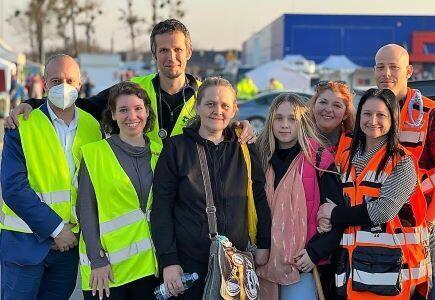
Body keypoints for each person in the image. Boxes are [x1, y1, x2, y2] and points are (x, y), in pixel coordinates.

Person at [5, 19, 256, 152]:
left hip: (189, 196)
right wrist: (31, 103)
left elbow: (221, 128)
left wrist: (239, 127)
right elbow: (81, 105)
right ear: (154, 54)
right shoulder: (133, 89)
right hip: (142, 189)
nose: (171, 57)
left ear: (189, 51)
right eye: (164, 50)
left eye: (178, 49)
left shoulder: (206, 94)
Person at [151, 77, 272, 299]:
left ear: (235, 109)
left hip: (234, 263)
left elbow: (258, 196)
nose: (218, 111)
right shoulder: (175, 149)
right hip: (189, 265)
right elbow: (161, 207)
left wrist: (264, 242)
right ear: (197, 106)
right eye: (210, 104)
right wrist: (169, 261)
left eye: (225, 105)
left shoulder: (245, 147)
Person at [0, 54, 102, 300]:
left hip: (67, 251)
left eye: (70, 80)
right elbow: (13, 187)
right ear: (44, 84)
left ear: (80, 84)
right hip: (25, 245)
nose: (63, 86)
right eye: (56, 81)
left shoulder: (93, 127)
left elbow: (92, 185)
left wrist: (72, 233)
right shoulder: (22, 124)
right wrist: (57, 230)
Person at [317, 88, 430, 299]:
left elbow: (383, 210)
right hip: (353, 269)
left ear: (393, 118)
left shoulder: (402, 161)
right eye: (367, 114)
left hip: (392, 272)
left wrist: (333, 214)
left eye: (381, 115)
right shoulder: (346, 156)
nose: (373, 120)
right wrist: (325, 218)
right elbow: (334, 199)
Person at [374, 44, 435, 300]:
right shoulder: (370, 113)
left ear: (409, 71)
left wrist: (428, 224)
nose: (386, 73)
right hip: (379, 224)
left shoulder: (432, 114)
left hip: (422, 224)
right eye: (380, 67)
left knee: (427, 293)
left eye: (393, 67)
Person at [255, 93, 344, 300]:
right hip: (261, 260)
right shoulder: (258, 157)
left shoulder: (318, 159)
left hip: (301, 263)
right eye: (279, 118)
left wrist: (315, 252)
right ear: (271, 121)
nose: (285, 125)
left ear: (302, 122)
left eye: (292, 119)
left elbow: (336, 214)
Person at [77, 81, 159, 300]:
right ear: (112, 115)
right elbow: (86, 209)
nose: (132, 116)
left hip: (150, 269)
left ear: (147, 111)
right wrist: (97, 260)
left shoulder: (161, 154)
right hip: (107, 271)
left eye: (138, 109)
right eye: (123, 110)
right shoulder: (95, 154)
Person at [310, 81, 355, 151]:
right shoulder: (298, 141)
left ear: (345, 114)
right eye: (323, 102)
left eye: (337, 105)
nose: (328, 109)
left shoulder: (354, 146)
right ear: (313, 106)